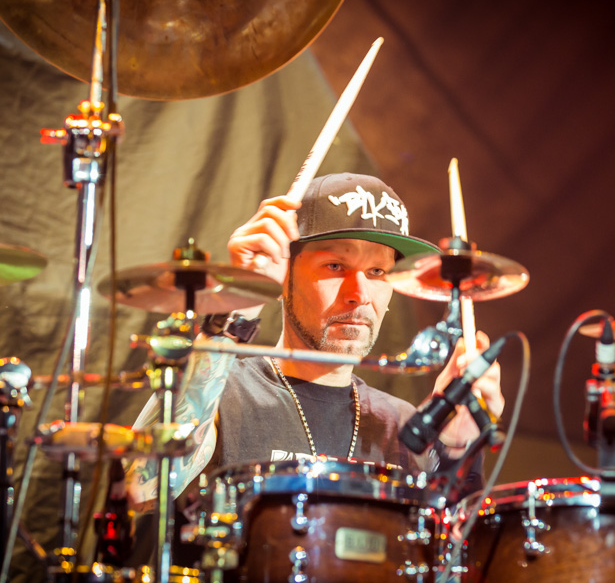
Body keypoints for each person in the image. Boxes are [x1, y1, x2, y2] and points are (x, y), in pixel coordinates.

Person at [125, 172, 504, 513]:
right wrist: (240, 300)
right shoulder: (224, 389)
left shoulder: (402, 425)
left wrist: (457, 451)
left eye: (377, 271)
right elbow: (140, 488)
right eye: (336, 266)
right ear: (284, 275)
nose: (360, 293)